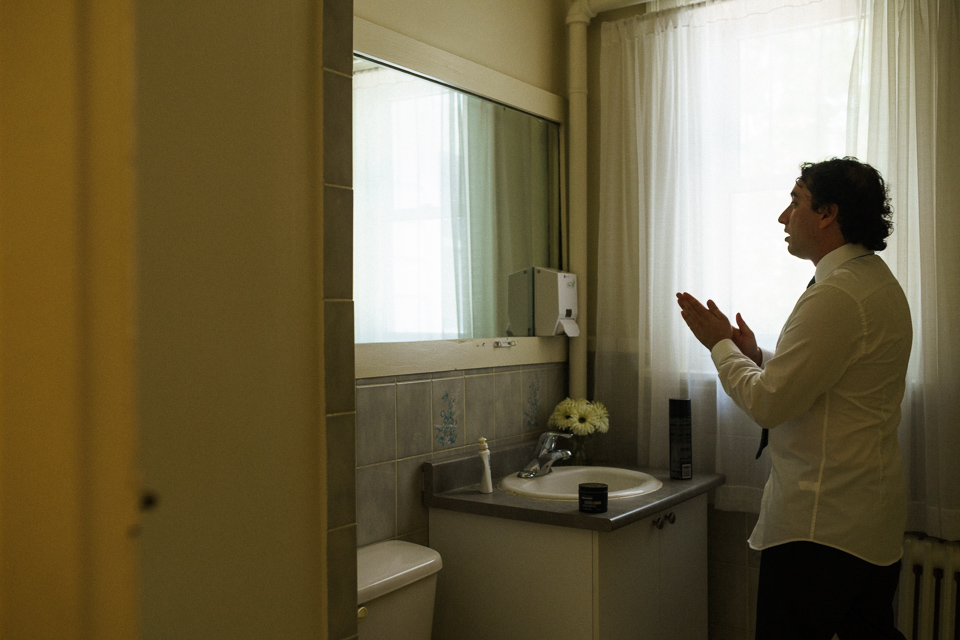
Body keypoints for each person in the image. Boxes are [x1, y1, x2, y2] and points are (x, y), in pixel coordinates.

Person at [676, 157, 911, 640]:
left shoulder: (837, 296)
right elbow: (827, 385)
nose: (784, 217)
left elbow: (769, 404)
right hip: (868, 522)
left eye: (795, 201)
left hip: (821, 530)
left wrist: (719, 345)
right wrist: (755, 354)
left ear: (827, 213)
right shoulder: (877, 283)